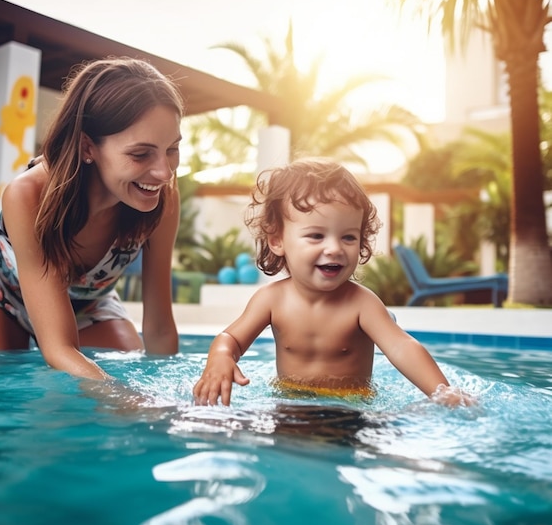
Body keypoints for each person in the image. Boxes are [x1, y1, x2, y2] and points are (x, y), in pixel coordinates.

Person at [0, 57, 183, 382]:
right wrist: (125, 400)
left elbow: (158, 328)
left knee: (129, 368)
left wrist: (173, 400)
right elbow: (58, 348)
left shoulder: (163, 201)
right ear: (88, 147)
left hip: (87, 304)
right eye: (141, 154)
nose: (164, 172)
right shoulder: (28, 195)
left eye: (172, 149)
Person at [193, 158, 474, 407]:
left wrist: (442, 391)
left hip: (351, 408)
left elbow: (401, 347)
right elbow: (232, 338)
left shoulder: (361, 304)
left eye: (348, 237)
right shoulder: (271, 300)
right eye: (316, 236)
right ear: (277, 240)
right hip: (291, 404)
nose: (335, 248)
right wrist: (220, 356)